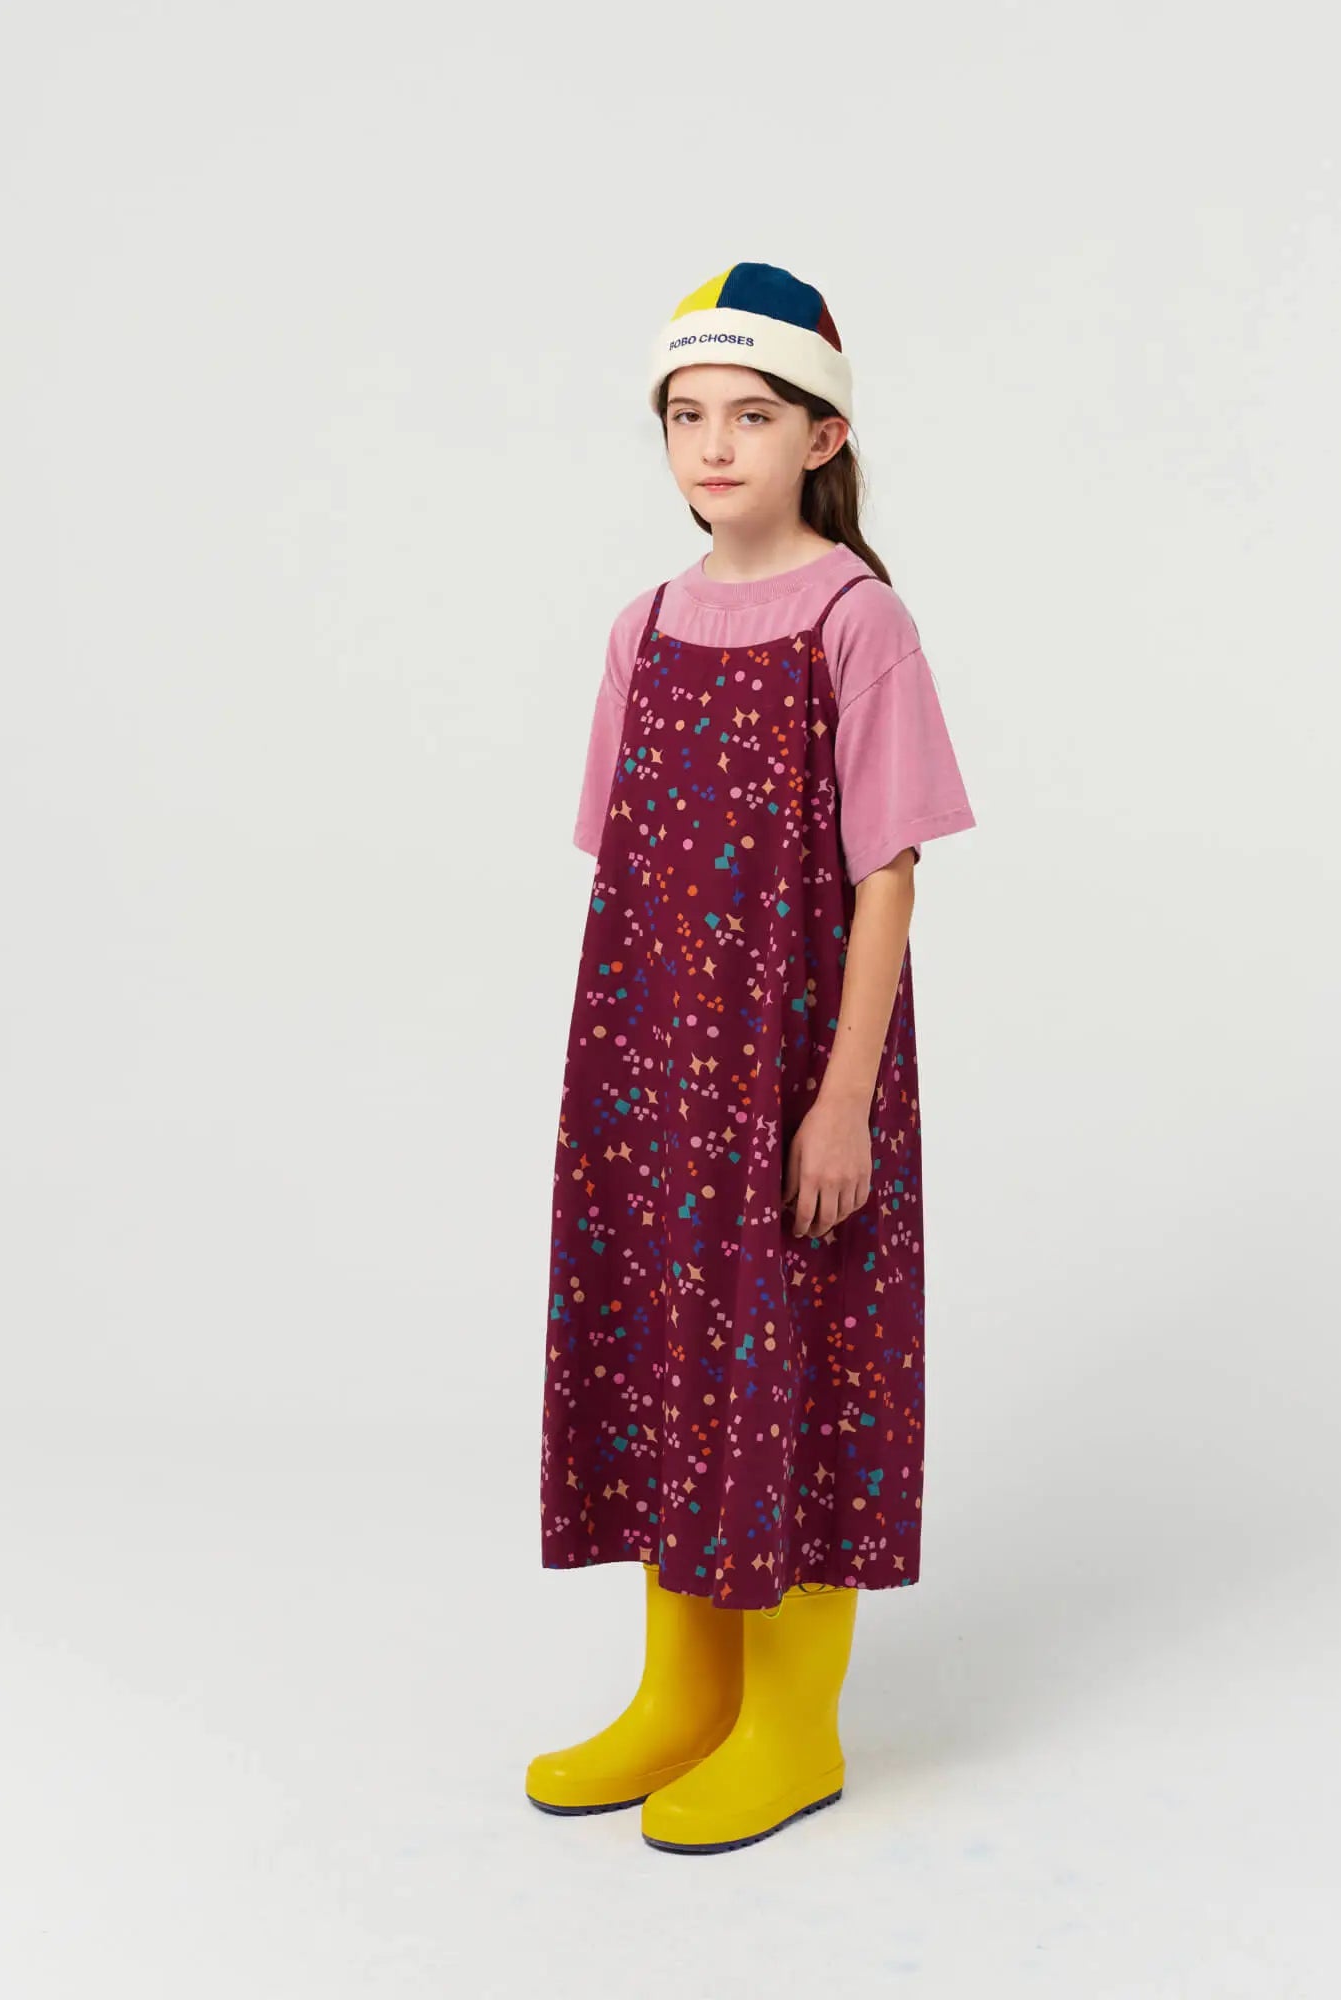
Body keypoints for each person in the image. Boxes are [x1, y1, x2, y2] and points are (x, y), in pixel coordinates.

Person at [526, 262, 977, 1854]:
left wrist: (843, 1099)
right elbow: (629, 869)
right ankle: (682, 1691)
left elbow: (887, 875)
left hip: (795, 1072)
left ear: (823, 434)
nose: (714, 446)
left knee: (799, 1357)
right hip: (656, 1066)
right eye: (686, 416)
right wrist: (631, 1089)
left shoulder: (860, 623)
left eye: (753, 415)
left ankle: (791, 1723)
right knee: (668, 1348)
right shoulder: (644, 626)